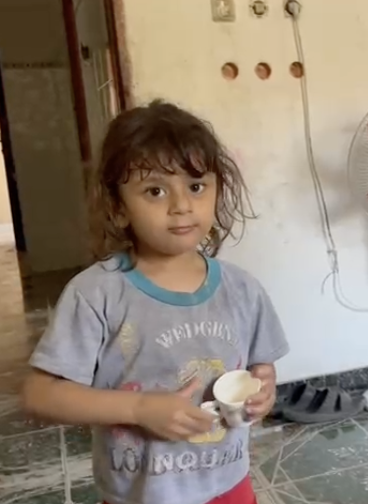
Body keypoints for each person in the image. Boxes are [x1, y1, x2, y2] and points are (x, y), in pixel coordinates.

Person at [21, 100, 288, 504]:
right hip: (142, 494)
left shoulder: (242, 289)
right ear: (118, 206)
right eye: (155, 190)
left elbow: (260, 368)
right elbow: (40, 395)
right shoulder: (96, 293)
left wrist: (263, 391)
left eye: (196, 186)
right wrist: (139, 408)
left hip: (229, 485)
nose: (181, 205)